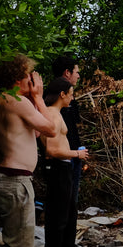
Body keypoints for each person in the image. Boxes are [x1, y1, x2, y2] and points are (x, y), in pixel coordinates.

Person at [0, 54, 58, 247]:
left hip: (12, 178)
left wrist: (34, 100)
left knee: (20, 244)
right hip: (14, 180)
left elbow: (36, 133)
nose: (35, 80)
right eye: (31, 76)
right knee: (15, 245)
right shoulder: (17, 101)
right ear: (19, 77)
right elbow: (50, 129)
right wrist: (38, 97)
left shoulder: (2, 101)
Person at [41, 78, 89, 247]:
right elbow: (51, 150)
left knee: (67, 211)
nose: (72, 97)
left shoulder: (56, 114)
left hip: (64, 167)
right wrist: (76, 153)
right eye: (70, 93)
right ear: (62, 94)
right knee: (59, 213)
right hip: (58, 167)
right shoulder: (53, 115)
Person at [51, 55, 83, 208]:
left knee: (71, 201)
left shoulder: (70, 98)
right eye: (76, 71)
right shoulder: (53, 102)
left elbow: (75, 122)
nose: (78, 75)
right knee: (64, 203)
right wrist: (73, 153)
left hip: (73, 155)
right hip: (63, 158)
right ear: (67, 73)